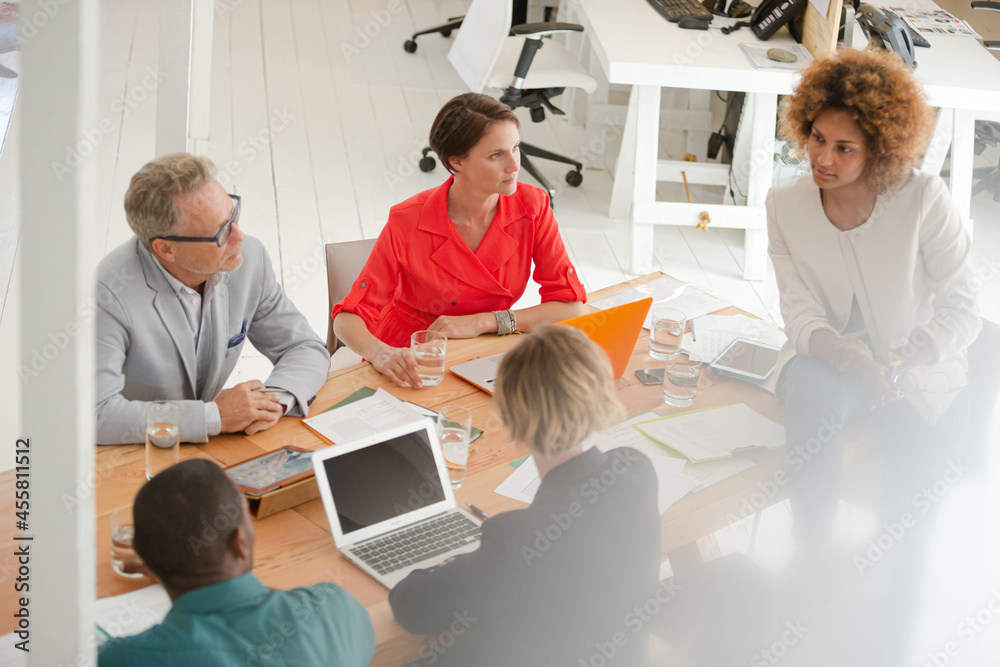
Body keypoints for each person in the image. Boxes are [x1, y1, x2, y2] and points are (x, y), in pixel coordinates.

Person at [767, 50, 982, 663]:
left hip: (920, 383)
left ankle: (892, 645)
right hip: (838, 372)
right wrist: (843, 352)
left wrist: (919, 353)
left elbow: (966, 305)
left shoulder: (923, 200)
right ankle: (810, 559)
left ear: (881, 152)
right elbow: (799, 311)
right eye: (816, 138)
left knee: (904, 535)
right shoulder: (785, 207)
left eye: (844, 149)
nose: (822, 159)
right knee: (808, 382)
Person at [388, 325, 661, 666]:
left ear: (509, 414)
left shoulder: (515, 539)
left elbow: (411, 607)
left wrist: (450, 564)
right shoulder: (635, 470)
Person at [332, 93, 587, 388]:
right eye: (496, 155)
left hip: (487, 346)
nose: (514, 165)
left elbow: (569, 307)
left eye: (515, 148)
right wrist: (382, 354)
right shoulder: (408, 220)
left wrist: (484, 321)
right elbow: (347, 318)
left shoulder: (533, 206)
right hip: (413, 357)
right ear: (457, 162)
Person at [95, 153, 329, 445]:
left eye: (233, 215)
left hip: (212, 452)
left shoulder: (249, 258)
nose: (240, 236)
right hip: (133, 455)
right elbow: (96, 415)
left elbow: (304, 346)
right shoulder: (107, 295)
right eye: (220, 232)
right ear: (166, 249)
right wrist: (213, 417)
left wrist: (273, 402)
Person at [97, 459, 375, 666]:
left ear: (144, 556)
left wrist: (174, 564)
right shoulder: (335, 611)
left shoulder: (127, 659)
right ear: (239, 542)